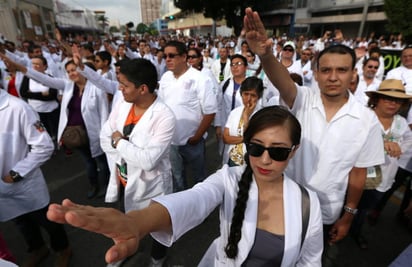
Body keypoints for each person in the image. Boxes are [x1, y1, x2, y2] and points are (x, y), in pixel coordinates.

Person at [47, 106, 323, 266]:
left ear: (294, 151)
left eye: (278, 152)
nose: (264, 160)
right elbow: (195, 199)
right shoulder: (228, 178)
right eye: (255, 147)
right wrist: (138, 222)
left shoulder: (308, 203)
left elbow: (310, 262)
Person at [243, 7, 384, 265]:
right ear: (316, 74)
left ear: (353, 74)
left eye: (341, 70)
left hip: (328, 211)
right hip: (284, 200)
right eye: (326, 70)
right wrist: (264, 55)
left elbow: (358, 172)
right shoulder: (303, 99)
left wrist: (348, 215)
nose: (333, 77)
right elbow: (282, 80)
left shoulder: (367, 121)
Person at [1, 52, 110, 199]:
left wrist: (105, 135)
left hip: (94, 133)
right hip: (75, 134)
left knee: (101, 162)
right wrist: (20, 68)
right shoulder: (68, 86)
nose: (72, 73)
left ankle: (106, 186)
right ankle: (93, 185)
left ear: (83, 70)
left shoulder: (97, 89)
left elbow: (104, 113)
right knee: (88, 162)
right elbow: (43, 78)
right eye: (69, 71)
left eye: (74, 69)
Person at [100, 58, 176, 266]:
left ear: (142, 88)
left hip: (151, 186)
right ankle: (125, 252)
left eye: (124, 85)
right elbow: (104, 135)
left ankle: (157, 260)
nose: (120, 89)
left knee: (158, 227)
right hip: (126, 178)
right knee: (128, 222)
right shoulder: (123, 105)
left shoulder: (164, 116)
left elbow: (148, 160)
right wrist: (122, 148)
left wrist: (119, 142)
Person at [0, 89, 71, 266]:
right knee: (21, 222)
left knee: (47, 219)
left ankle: (63, 249)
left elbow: (44, 146)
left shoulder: (18, 108)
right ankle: (38, 248)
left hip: (23, 182)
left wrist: (16, 173)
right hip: (3, 189)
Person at [350, 79, 412, 249]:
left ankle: (355, 231)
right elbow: (348, 141)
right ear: (376, 99)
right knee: (347, 205)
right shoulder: (363, 116)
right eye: (388, 98)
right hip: (355, 175)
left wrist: (399, 147)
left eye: (398, 100)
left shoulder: (401, 123)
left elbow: (408, 140)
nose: (393, 103)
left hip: (382, 178)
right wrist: (379, 144)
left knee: (364, 208)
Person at [157, 41, 217, 192]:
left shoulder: (200, 78)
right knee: (177, 178)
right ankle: (181, 211)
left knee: (199, 179)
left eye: (171, 55)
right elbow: (161, 106)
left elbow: (210, 111)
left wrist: (197, 137)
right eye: (165, 56)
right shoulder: (165, 78)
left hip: (192, 141)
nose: (167, 59)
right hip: (171, 141)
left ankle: (202, 209)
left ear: (184, 57)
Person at [222, 76, 263, 166]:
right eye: (246, 94)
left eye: (253, 95)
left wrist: (246, 117)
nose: (248, 99)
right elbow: (225, 138)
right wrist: (245, 139)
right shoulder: (235, 112)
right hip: (231, 158)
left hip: (248, 163)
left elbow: (256, 142)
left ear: (259, 96)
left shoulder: (262, 116)